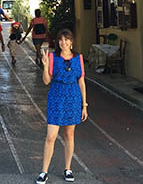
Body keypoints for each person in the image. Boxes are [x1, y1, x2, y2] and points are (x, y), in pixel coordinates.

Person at [37, 29, 87, 184]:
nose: (63, 42)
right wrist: (45, 66)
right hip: (56, 98)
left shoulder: (78, 58)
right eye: (60, 40)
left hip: (73, 98)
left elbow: (81, 82)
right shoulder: (52, 57)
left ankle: (68, 168)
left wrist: (84, 105)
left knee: (69, 135)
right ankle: (44, 171)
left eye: (66, 39)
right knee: (51, 136)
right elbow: (46, 81)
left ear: (71, 41)